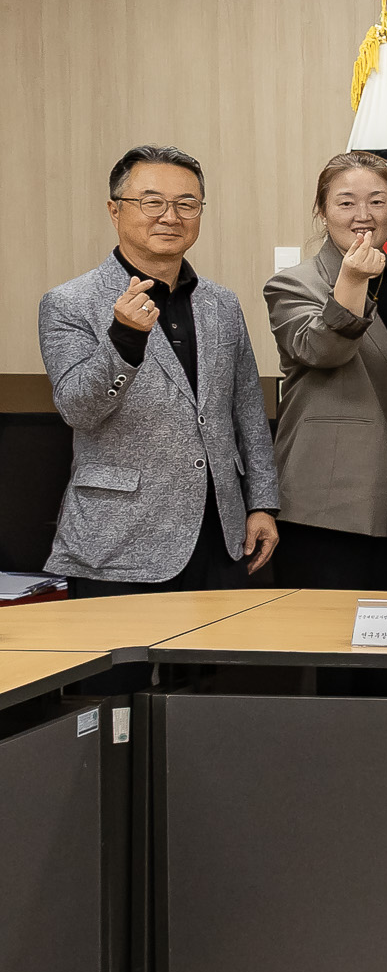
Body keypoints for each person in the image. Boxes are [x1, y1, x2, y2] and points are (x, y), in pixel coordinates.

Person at [40, 148, 280, 626]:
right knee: (117, 693)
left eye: (186, 204)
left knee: (215, 690)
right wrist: (124, 340)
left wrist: (262, 503)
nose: (170, 216)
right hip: (117, 536)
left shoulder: (222, 303)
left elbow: (247, 412)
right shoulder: (69, 303)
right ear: (115, 210)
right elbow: (78, 409)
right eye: (152, 202)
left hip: (221, 531)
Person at [264, 150, 387, 697]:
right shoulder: (292, 283)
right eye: (346, 201)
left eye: (377, 200)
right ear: (321, 210)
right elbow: (320, 349)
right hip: (326, 507)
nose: (363, 213)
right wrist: (351, 280)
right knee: (334, 665)